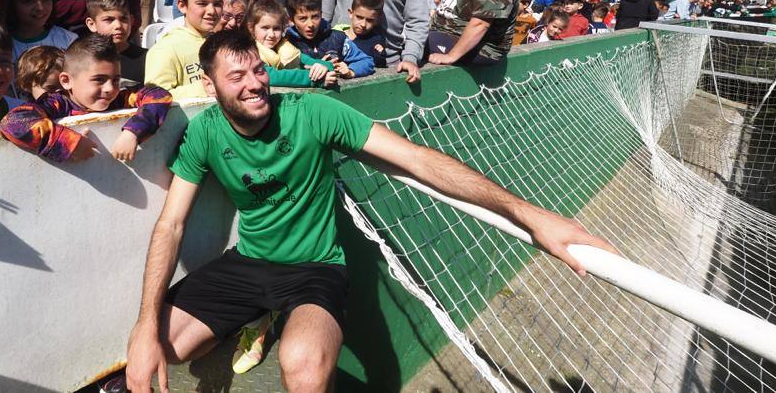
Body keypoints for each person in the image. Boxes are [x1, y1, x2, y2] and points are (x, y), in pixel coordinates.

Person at [125, 29, 617, 393]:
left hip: (315, 268)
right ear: (211, 88)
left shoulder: (313, 112)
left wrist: (530, 215)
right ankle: (254, 318)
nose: (254, 83)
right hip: (251, 261)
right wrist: (146, 327)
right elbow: (171, 223)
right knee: (159, 349)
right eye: (236, 76)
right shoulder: (206, 132)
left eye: (258, 69)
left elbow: (418, 160)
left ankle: (273, 320)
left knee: (302, 365)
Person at [0, 34, 172, 163]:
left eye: (115, 80)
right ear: (66, 81)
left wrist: (134, 132)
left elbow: (158, 96)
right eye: (99, 80)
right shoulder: (56, 103)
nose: (110, 89)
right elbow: (14, 123)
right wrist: (68, 143)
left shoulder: (120, 98)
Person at [144, 0, 223, 100]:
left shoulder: (223, 43)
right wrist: (205, 88)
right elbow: (154, 98)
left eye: (217, 4)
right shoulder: (166, 49)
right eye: (202, 3)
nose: (211, 11)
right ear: (182, 5)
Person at [246, 0, 337, 89]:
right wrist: (314, 79)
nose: (271, 35)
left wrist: (323, 67)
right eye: (265, 28)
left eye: (276, 29)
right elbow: (270, 75)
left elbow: (314, 62)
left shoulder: (285, 48)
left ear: (283, 29)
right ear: (251, 28)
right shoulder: (250, 53)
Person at [286, 0, 374, 79]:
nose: (310, 24)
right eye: (303, 19)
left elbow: (367, 61)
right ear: (291, 20)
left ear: (321, 14)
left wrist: (351, 71)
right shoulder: (286, 44)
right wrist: (319, 67)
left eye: (315, 17)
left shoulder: (337, 39)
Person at [3, 0, 77, 64]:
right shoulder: (2, 45)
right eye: (28, 1)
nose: (40, 8)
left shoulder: (69, 41)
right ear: (10, 3)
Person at [84, 0, 146, 84]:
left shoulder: (147, 58)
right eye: (109, 19)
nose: (118, 26)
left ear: (131, 21)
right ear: (92, 24)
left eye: (123, 19)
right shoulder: (82, 59)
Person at [341, 0, 387, 69]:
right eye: (359, 17)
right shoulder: (336, 35)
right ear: (350, 13)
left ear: (377, 20)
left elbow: (379, 66)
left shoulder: (375, 42)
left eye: (369, 20)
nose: (363, 24)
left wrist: (380, 55)